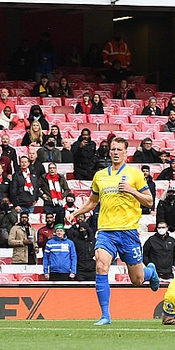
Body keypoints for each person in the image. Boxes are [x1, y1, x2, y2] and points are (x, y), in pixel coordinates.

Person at [68, 137, 159, 325]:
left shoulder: (135, 175)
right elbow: (93, 202)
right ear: (109, 152)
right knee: (101, 266)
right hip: (106, 231)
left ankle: (150, 272)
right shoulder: (100, 175)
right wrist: (75, 213)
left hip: (128, 232)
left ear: (126, 153)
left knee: (137, 279)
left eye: (119, 149)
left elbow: (149, 201)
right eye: (112, 149)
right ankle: (105, 315)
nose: (115, 152)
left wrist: (131, 191)